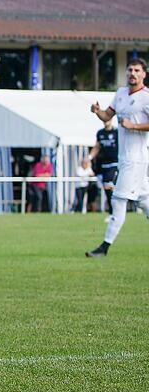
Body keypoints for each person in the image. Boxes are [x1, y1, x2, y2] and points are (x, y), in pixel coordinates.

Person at [86, 58, 149, 257]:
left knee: (118, 200)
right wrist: (98, 112)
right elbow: (107, 116)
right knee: (143, 199)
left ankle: (104, 247)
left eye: (137, 70)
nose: (132, 73)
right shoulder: (121, 93)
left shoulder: (146, 97)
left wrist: (134, 126)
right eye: (130, 70)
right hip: (125, 159)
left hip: (136, 159)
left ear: (144, 74)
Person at [90, 119, 119, 215]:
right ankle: (112, 212)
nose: (106, 121)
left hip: (115, 163)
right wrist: (89, 157)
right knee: (107, 189)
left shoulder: (117, 132)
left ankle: (114, 212)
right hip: (104, 165)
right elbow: (97, 147)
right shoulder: (100, 133)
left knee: (109, 185)